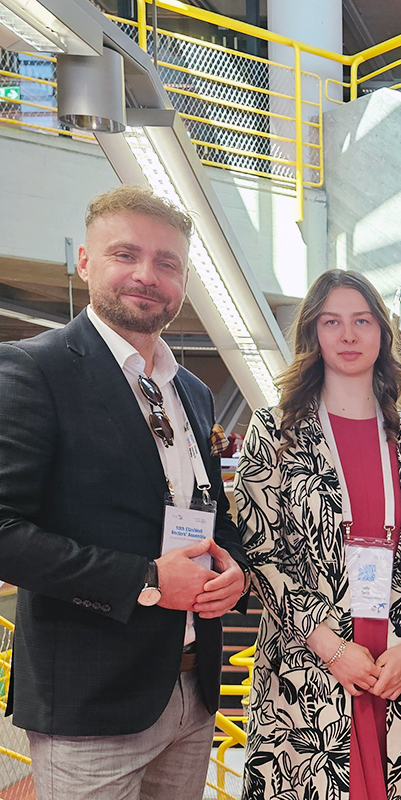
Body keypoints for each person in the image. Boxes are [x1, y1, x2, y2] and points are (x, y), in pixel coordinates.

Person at [0, 184, 248, 800]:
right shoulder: (34, 370)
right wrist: (148, 578)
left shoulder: (189, 389)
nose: (147, 276)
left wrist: (233, 567)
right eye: (125, 255)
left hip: (192, 690)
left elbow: (205, 511)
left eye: (167, 263)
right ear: (85, 261)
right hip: (92, 701)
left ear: (184, 280)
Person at [236, 269, 401, 800]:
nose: (349, 335)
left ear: (381, 333)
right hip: (309, 671)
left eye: (362, 321)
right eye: (332, 322)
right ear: (313, 333)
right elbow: (263, 552)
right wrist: (332, 650)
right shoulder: (275, 433)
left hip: (400, 667)